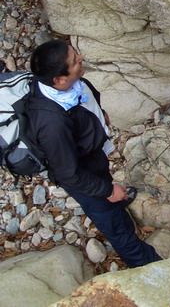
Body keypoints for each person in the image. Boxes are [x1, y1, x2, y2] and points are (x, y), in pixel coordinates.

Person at [26, 40, 161, 268]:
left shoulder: (68, 85)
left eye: (76, 54)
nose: (81, 59)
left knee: (110, 194)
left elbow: (87, 100)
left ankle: (117, 200)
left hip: (91, 158)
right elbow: (69, 174)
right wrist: (106, 191)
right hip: (83, 177)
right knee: (117, 227)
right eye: (74, 61)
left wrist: (100, 116)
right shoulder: (52, 125)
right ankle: (149, 267)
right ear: (58, 80)